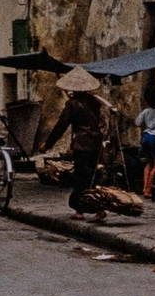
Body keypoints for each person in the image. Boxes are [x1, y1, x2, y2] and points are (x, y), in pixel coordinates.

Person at [44, 66, 111, 221]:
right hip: (95, 142)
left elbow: (61, 125)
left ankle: (85, 209)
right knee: (91, 175)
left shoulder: (72, 104)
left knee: (82, 177)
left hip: (82, 144)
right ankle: (93, 207)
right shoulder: (94, 102)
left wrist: (48, 144)